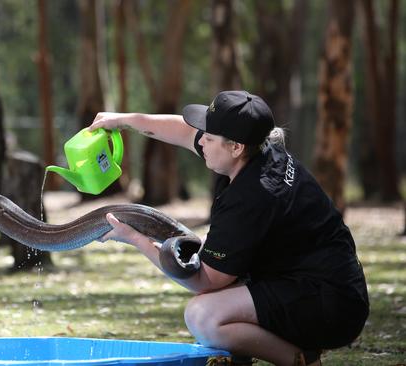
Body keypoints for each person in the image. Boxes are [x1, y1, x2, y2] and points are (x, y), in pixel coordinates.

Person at [89, 90, 369, 366]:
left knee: (203, 317)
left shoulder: (252, 197)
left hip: (332, 306)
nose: (201, 144)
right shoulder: (258, 150)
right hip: (324, 283)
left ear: (236, 147)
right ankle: (241, 357)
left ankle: (300, 360)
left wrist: (134, 238)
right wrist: (123, 120)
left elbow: (203, 280)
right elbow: (184, 132)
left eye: (209, 139)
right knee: (223, 290)